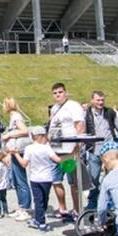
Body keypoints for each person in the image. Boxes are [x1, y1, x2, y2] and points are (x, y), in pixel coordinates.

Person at [47, 83, 85, 220]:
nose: (58, 95)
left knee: (73, 182)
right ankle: (62, 208)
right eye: (55, 93)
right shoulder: (54, 108)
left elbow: (80, 126)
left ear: (66, 92)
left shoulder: (73, 106)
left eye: (60, 92)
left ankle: (77, 209)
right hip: (56, 149)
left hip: (69, 150)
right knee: (56, 180)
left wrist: (77, 146)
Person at [83, 90, 118, 210]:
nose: (100, 102)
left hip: (109, 150)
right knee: (93, 177)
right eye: (98, 100)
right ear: (92, 100)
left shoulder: (110, 112)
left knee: (112, 176)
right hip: (94, 149)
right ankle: (93, 201)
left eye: (102, 100)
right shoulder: (86, 114)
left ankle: (113, 201)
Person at [16, 126, 62, 231]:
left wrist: (16, 154)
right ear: (42, 136)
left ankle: (40, 222)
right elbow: (57, 160)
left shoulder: (29, 148)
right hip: (47, 178)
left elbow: (24, 164)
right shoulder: (47, 148)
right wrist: (71, 154)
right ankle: (39, 218)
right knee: (44, 199)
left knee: (38, 200)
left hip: (35, 178)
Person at [0, 97, 32, 221]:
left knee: (21, 180)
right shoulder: (13, 117)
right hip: (13, 152)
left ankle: (26, 207)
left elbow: (24, 131)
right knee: (17, 180)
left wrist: (8, 135)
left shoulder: (16, 116)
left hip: (18, 151)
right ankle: (21, 206)